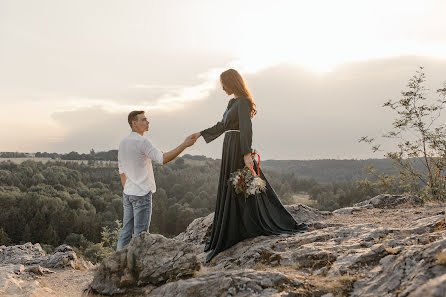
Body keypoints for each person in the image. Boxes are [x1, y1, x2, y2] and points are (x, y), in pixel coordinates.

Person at [192, 69, 308, 262]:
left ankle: (258, 222)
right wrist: (200, 134)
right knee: (238, 186)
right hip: (229, 146)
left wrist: (247, 155)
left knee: (246, 185)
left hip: (238, 146)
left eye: (224, 84)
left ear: (232, 82)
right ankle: (238, 226)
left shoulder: (244, 102)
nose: (222, 88)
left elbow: (246, 128)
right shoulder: (232, 103)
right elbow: (221, 126)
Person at [116, 110, 197, 250]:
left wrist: (128, 189)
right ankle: (137, 268)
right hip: (141, 194)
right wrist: (184, 145)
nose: (148, 122)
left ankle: (117, 267)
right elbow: (162, 159)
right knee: (140, 236)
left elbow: (121, 170)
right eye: (143, 119)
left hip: (128, 193)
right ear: (134, 123)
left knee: (125, 233)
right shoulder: (142, 141)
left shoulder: (123, 142)